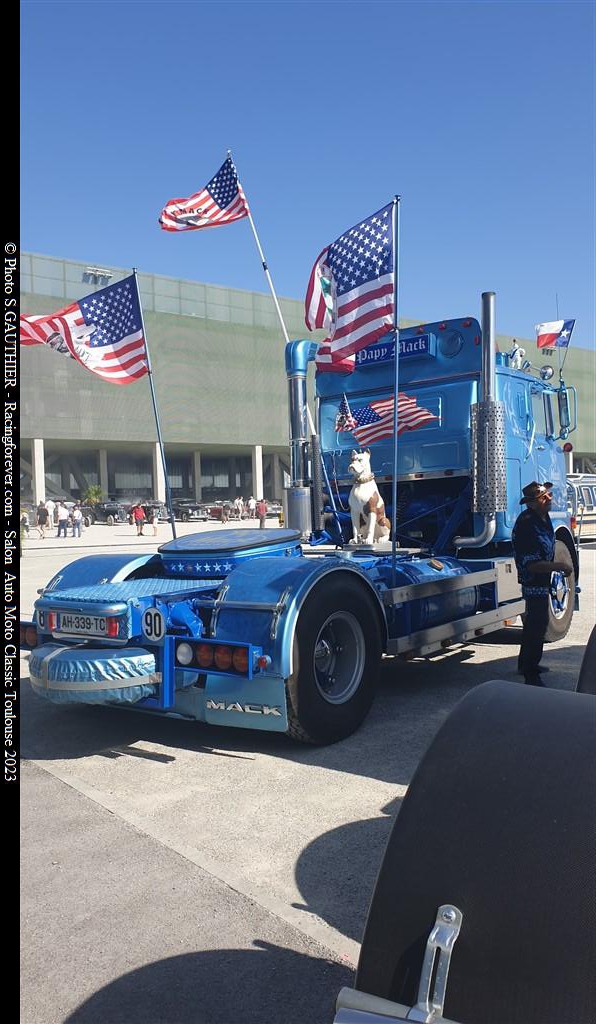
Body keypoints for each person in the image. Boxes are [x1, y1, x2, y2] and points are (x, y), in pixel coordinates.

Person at [512, 481, 573, 686]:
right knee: (537, 624)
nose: (549, 499)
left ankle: (528, 663)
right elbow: (531, 565)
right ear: (532, 503)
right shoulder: (526, 524)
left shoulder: (543, 518)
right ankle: (529, 671)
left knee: (537, 623)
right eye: (543, 497)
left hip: (543, 580)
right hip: (533, 581)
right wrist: (559, 566)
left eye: (548, 495)